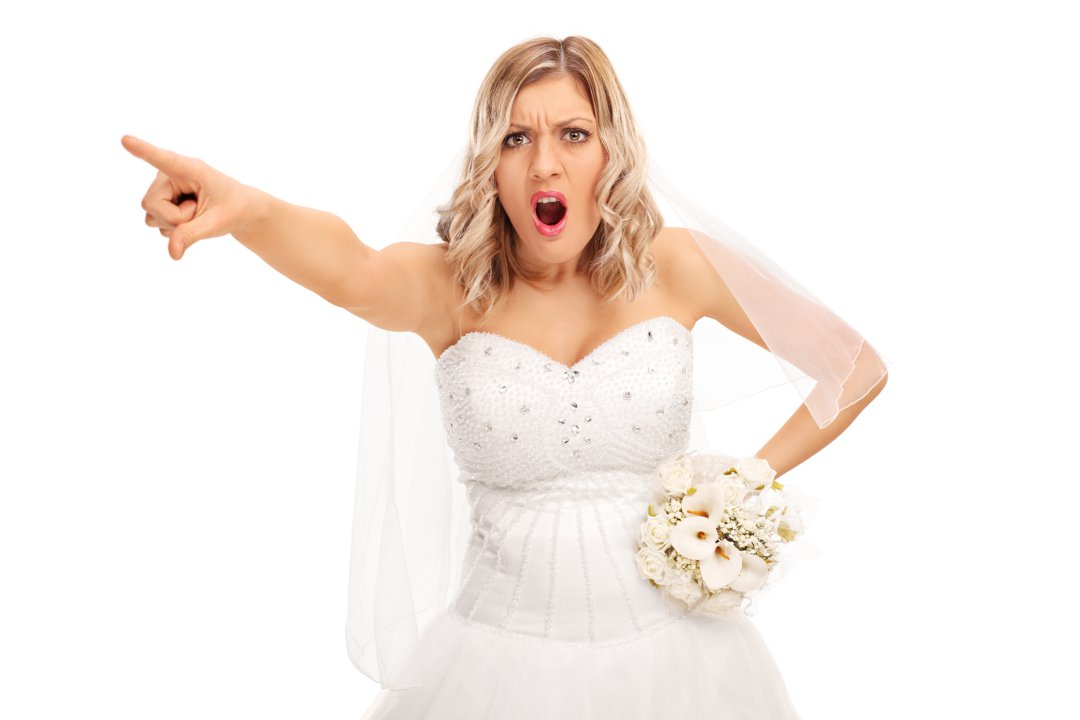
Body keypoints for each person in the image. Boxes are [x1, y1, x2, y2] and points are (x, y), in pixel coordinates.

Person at [125, 34, 888, 719]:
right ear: (490, 162)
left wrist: (740, 487)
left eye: (573, 134)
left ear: (611, 153)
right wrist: (247, 208)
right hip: (493, 672)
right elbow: (352, 264)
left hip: (681, 668)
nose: (545, 162)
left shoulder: (677, 265)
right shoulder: (449, 288)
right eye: (516, 137)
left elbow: (854, 367)